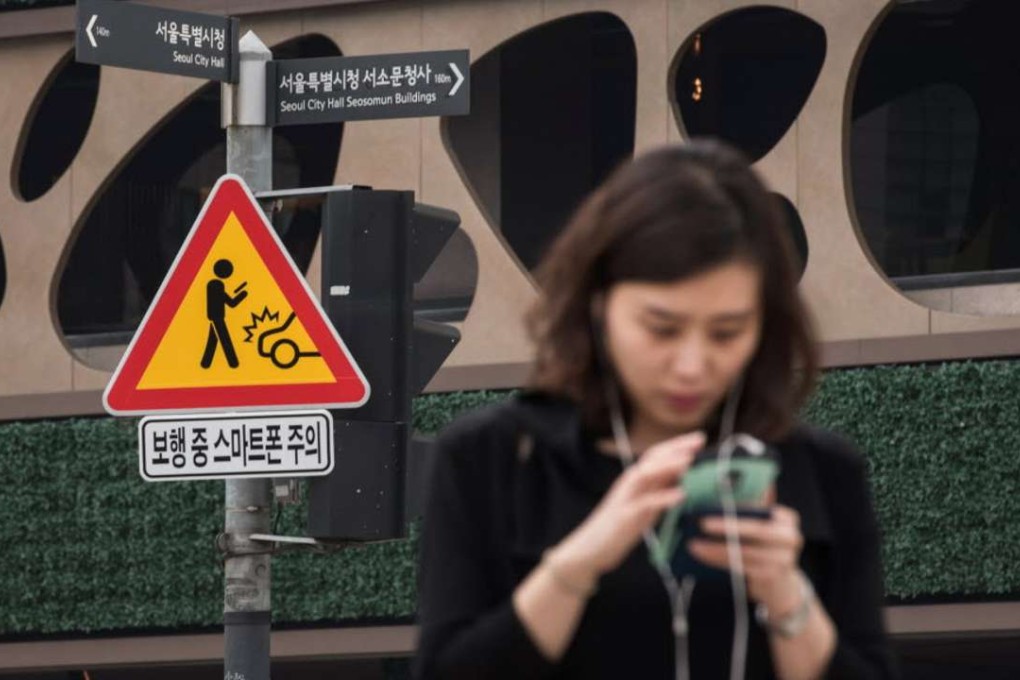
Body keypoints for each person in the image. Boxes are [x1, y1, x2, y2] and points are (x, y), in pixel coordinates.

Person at [414, 141, 897, 679]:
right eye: (661, 329)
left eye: (727, 332)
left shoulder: (821, 471)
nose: (692, 366)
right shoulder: (493, 458)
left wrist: (786, 594)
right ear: (599, 305)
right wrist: (580, 562)